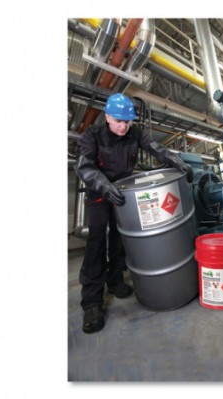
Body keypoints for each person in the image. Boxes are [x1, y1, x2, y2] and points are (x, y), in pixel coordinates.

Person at [74, 93, 193, 334]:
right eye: (118, 121)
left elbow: (155, 148)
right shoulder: (92, 135)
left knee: (121, 238)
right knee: (96, 242)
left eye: (127, 121)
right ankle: (92, 302)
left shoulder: (135, 134)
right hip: (99, 193)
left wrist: (176, 161)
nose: (123, 126)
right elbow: (84, 166)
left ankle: (115, 280)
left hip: (124, 194)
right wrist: (104, 186)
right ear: (107, 117)